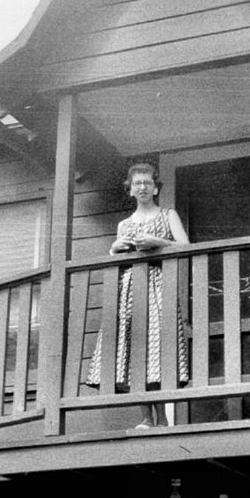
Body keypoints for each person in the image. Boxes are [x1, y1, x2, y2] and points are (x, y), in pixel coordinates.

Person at [86, 162, 190, 428]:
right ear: (130, 190)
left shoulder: (168, 215)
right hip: (130, 291)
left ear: (155, 187)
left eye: (147, 183)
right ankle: (145, 416)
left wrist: (159, 243)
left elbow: (186, 247)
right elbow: (118, 263)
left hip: (158, 288)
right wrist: (114, 250)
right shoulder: (124, 224)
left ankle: (164, 419)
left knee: (158, 349)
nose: (142, 187)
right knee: (133, 351)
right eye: (137, 184)